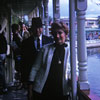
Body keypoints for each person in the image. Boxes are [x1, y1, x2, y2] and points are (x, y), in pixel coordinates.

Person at [28, 21, 70, 100]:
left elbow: (75, 70)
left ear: (66, 34)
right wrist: (30, 89)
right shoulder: (45, 49)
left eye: (60, 33)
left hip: (62, 91)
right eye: (54, 33)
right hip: (43, 90)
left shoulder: (71, 51)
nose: (57, 36)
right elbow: (35, 68)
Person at [21, 17, 54, 93]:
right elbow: (23, 62)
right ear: (32, 28)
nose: (37, 30)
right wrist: (24, 80)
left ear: (42, 28)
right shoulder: (25, 43)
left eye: (39, 27)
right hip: (32, 78)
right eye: (35, 27)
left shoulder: (50, 41)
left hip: (47, 78)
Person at [0, 25, 8, 93]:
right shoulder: (3, 37)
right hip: (3, 55)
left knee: (1, 72)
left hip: (1, 56)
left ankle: (4, 87)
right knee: (2, 71)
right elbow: (5, 47)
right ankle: (4, 87)